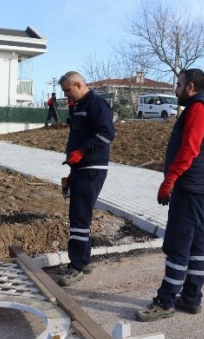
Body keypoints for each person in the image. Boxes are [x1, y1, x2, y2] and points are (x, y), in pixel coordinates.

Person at [135, 68, 204, 322]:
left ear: (191, 87)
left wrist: (170, 180)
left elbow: (189, 149)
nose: (175, 90)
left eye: (178, 85)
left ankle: (165, 302)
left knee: (177, 246)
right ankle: (191, 297)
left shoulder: (198, 108)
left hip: (190, 189)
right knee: (195, 245)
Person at [57, 71, 115, 287]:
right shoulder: (80, 106)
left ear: (78, 84)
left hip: (92, 167)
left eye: (68, 91)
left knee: (79, 217)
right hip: (82, 168)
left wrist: (82, 152)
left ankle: (77, 266)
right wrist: (74, 168)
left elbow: (107, 133)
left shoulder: (95, 104)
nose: (66, 96)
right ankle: (84, 259)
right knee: (79, 215)